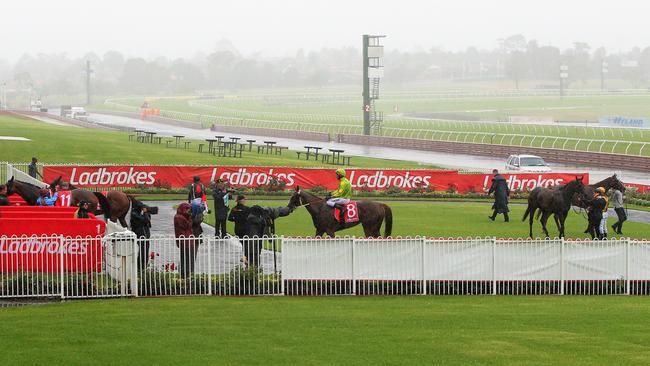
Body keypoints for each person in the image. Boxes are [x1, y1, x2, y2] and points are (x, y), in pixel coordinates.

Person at [174, 202, 197, 277]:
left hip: (189, 240)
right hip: (184, 241)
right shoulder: (178, 217)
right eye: (187, 209)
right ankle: (184, 275)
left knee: (189, 260)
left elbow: (189, 225)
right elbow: (187, 225)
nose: (189, 211)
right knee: (185, 260)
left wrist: (189, 216)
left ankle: (188, 274)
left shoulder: (185, 216)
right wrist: (190, 217)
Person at [130, 200, 152, 272]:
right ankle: (140, 268)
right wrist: (145, 212)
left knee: (145, 251)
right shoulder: (134, 214)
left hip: (145, 235)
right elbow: (145, 220)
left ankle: (143, 267)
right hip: (140, 235)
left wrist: (146, 212)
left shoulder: (140, 214)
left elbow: (148, 220)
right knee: (143, 252)